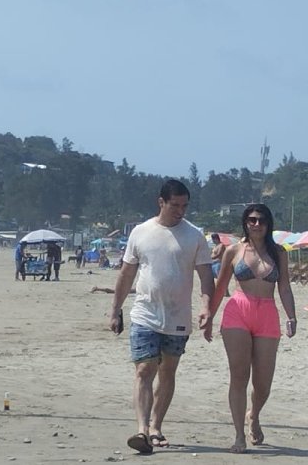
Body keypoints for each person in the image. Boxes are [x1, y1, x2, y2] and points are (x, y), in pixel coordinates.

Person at [108, 179, 213, 455]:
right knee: (144, 370)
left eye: (185, 206)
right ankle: (141, 429)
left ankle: (156, 426)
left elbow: (205, 276)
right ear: (161, 202)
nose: (180, 211)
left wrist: (206, 306)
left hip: (178, 316)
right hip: (144, 313)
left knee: (167, 371)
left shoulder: (194, 236)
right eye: (175, 205)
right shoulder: (141, 233)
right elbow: (126, 274)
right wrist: (115, 309)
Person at [203, 204, 296, 454]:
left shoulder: (279, 253)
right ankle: (238, 436)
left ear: (269, 224)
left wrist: (292, 316)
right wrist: (209, 316)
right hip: (238, 311)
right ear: (245, 223)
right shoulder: (233, 251)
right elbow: (221, 286)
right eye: (252, 220)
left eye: (262, 220)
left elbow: (284, 287)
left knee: (263, 383)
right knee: (239, 375)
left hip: (267, 313)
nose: (257, 224)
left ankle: (253, 414)